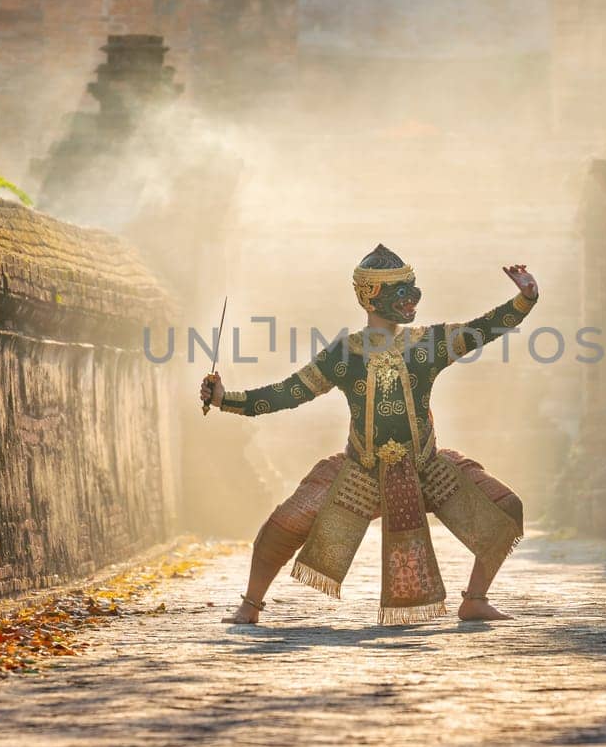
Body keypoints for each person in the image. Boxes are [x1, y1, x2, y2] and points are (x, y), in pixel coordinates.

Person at [199, 244, 539, 625]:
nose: (410, 298)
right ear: (369, 297)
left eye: (410, 287)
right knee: (281, 527)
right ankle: (250, 606)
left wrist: (525, 299)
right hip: (360, 474)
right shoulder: (344, 354)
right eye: (398, 289)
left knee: (507, 507)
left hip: (428, 469)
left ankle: (474, 599)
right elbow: (288, 393)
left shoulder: (428, 344)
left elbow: (481, 330)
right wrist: (226, 398)